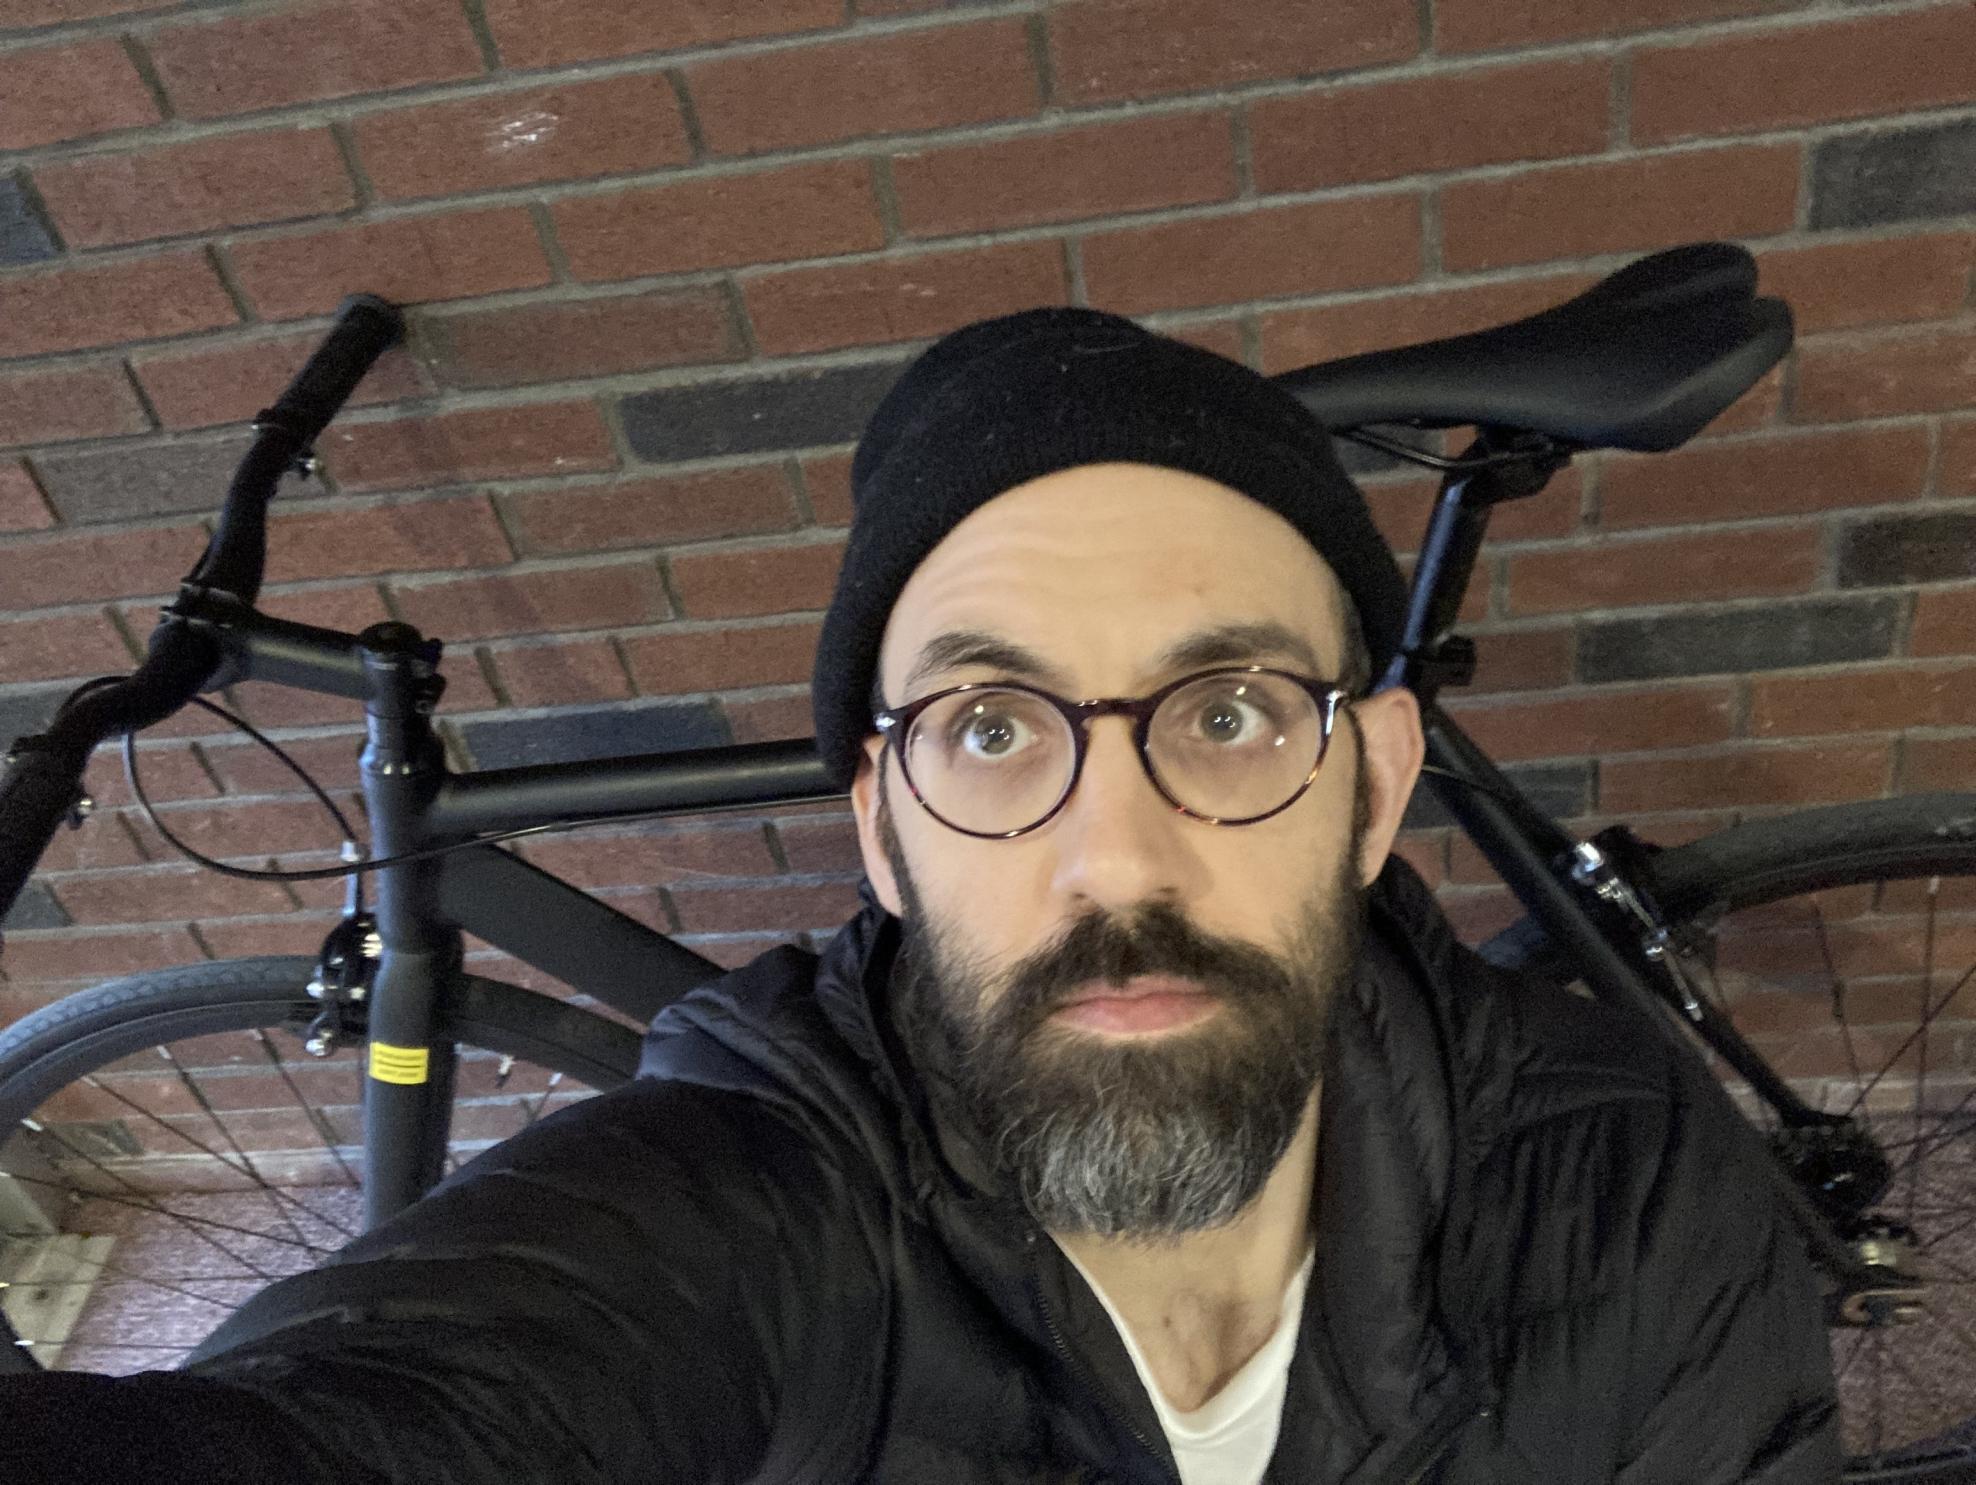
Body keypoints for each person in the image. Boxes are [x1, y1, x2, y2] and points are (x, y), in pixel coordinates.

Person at [2, 309, 1838, 1484]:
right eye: (990, 728)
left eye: (1225, 712)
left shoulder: (1635, 1180)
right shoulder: (757, 1198)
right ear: (881, 828)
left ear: (1373, 782)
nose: (1117, 856)